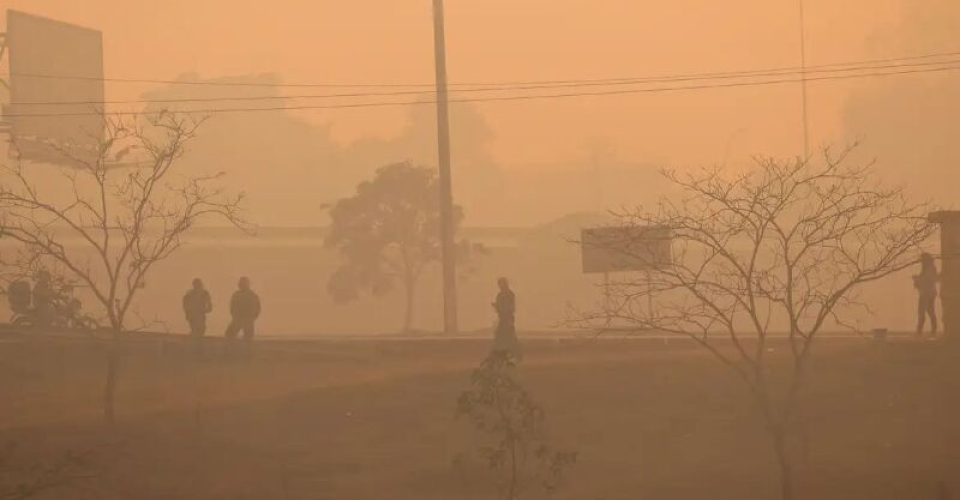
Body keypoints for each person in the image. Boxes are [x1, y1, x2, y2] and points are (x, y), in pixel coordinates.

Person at [225, 277, 261, 351]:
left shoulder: (252, 295)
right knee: (230, 334)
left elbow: (258, 308)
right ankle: (234, 350)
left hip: (246, 319)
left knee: (247, 338)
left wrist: (253, 317)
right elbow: (232, 306)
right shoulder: (237, 294)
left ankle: (245, 353)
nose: (241, 285)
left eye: (242, 284)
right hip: (239, 319)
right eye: (241, 284)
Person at [492, 277, 520, 359]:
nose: (500, 286)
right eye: (499, 284)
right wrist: (497, 307)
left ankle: (514, 352)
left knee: (509, 335)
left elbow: (511, 307)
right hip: (503, 318)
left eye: (501, 284)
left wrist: (501, 308)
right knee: (501, 335)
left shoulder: (510, 294)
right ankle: (503, 352)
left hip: (508, 317)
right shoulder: (500, 295)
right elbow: (499, 308)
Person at [183, 278, 213, 354]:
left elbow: (210, 306)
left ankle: (196, 351)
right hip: (193, 317)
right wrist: (188, 313)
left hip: (199, 316)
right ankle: (195, 351)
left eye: (198, 284)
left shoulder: (204, 293)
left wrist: (204, 311)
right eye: (196, 284)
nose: (197, 286)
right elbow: (185, 304)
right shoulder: (190, 293)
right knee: (196, 333)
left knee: (199, 333)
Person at [913, 253, 939, 338]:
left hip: (926, 293)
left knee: (922, 311)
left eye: (922, 260)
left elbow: (928, 280)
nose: (921, 262)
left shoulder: (929, 268)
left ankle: (920, 331)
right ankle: (932, 330)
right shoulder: (929, 268)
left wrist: (917, 279)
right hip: (929, 293)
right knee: (930, 311)